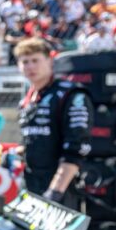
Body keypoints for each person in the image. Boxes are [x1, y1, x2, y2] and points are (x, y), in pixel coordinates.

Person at [16, 37, 91, 206]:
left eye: (35, 60)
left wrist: (55, 192)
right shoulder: (26, 100)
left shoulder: (70, 94)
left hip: (61, 188)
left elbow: (77, 148)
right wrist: (16, 154)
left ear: (50, 60)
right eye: (25, 62)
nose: (30, 66)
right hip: (30, 184)